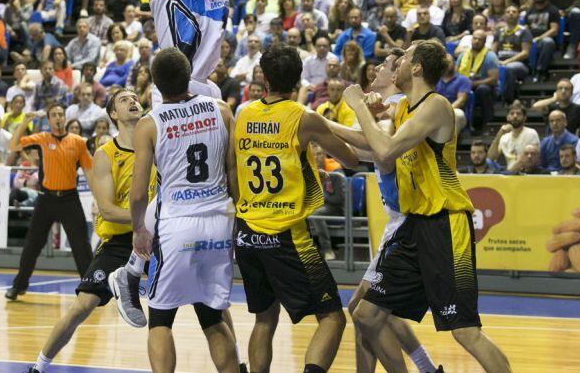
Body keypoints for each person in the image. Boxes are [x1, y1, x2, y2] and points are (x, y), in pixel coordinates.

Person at [342, 40, 512, 373]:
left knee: (465, 331)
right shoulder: (405, 105)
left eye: (403, 58)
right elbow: (373, 138)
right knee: (367, 314)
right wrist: (369, 107)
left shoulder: (436, 106)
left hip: (446, 224)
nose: (397, 62)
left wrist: (357, 106)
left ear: (417, 67)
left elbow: (385, 150)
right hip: (414, 226)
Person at [234, 44, 357, 373]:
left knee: (265, 319)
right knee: (332, 318)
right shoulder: (304, 118)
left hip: (246, 233)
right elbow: (351, 159)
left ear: (265, 79)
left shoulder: (243, 115)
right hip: (285, 234)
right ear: (297, 79)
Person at [122, 48, 239, 373]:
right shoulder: (222, 109)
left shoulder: (149, 124)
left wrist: (139, 229)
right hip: (218, 223)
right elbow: (233, 174)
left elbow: (137, 194)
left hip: (178, 227)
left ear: (156, 86)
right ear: (190, 75)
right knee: (213, 317)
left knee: (160, 318)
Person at [22, 90, 153, 373]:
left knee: (201, 301)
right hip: (121, 241)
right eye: (123, 99)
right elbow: (107, 211)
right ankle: (39, 366)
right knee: (82, 306)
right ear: (113, 114)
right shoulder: (106, 155)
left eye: (134, 97)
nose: (132, 100)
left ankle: (239, 362)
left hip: (158, 238)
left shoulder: (157, 148)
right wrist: (146, 222)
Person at [5, 104, 94, 301]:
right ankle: (18, 286)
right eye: (53, 115)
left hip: (69, 199)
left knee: (81, 246)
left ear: (65, 117)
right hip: (46, 200)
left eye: (61, 114)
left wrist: (98, 199)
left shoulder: (78, 142)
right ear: (49, 120)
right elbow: (12, 146)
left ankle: (90, 289)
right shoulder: (42, 139)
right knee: (32, 246)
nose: (58, 118)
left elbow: (90, 171)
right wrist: (26, 121)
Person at [487, 100, 540, 170]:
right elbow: (491, 157)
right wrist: (500, 134)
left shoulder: (531, 133)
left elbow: (530, 160)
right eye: (512, 114)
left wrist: (509, 172)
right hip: (509, 174)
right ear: (507, 117)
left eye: (518, 114)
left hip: (525, 172)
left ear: (525, 118)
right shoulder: (504, 137)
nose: (515, 116)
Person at [493, 5, 531, 103]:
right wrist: (496, 61)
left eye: (514, 11)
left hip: (520, 65)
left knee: (509, 68)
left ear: (518, 15)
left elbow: (525, 53)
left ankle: (508, 100)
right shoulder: (499, 32)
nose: (511, 13)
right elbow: (493, 51)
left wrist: (507, 61)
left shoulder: (524, 31)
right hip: (500, 62)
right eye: (508, 11)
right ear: (504, 15)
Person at [523, 0, 559, 82]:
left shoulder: (553, 10)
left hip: (545, 40)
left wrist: (539, 38)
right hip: (530, 40)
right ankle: (527, 72)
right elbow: (525, 28)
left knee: (547, 42)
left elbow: (554, 30)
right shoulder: (529, 11)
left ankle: (540, 72)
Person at [436, 56, 471, 133]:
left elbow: (461, 101)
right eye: (445, 63)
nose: (447, 65)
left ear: (454, 64)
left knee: (457, 114)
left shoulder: (463, 80)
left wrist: (445, 111)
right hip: (437, 110)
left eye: (449, 62)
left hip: (455, 110)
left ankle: (449, 145)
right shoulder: (435, 80)